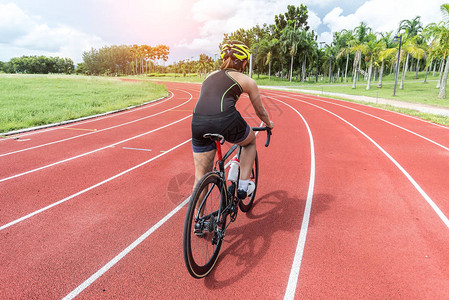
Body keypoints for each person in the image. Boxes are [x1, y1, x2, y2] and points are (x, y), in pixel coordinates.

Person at [191, 40, 274, 199]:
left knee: (201, 176)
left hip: (198, 122)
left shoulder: (209, 76)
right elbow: (260, 111)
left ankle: (198, 222)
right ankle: (243, 187)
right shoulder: (247, 80)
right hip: (225, 119)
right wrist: (269, 124)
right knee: (249, 141)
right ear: (243, 63)